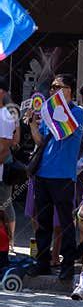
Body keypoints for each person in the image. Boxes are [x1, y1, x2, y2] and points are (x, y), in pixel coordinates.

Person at [28, 74, 83, 280]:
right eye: (51, 87)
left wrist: (51, 111)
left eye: (58, 87)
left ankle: (67, 265)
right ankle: (42, 262)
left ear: (69, 89)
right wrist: (33, 124)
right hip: (43, 174)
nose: (52, 90)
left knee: (65, 223)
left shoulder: (77, 112)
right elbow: (42, 140)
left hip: (63, 176)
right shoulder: (48, 111)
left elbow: (64, 131)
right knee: (43, 223)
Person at [0, 76, 17, 253]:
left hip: (3, 164)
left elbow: (6, 144)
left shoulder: (5, 114)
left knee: (5, 203)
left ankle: (10, 242)